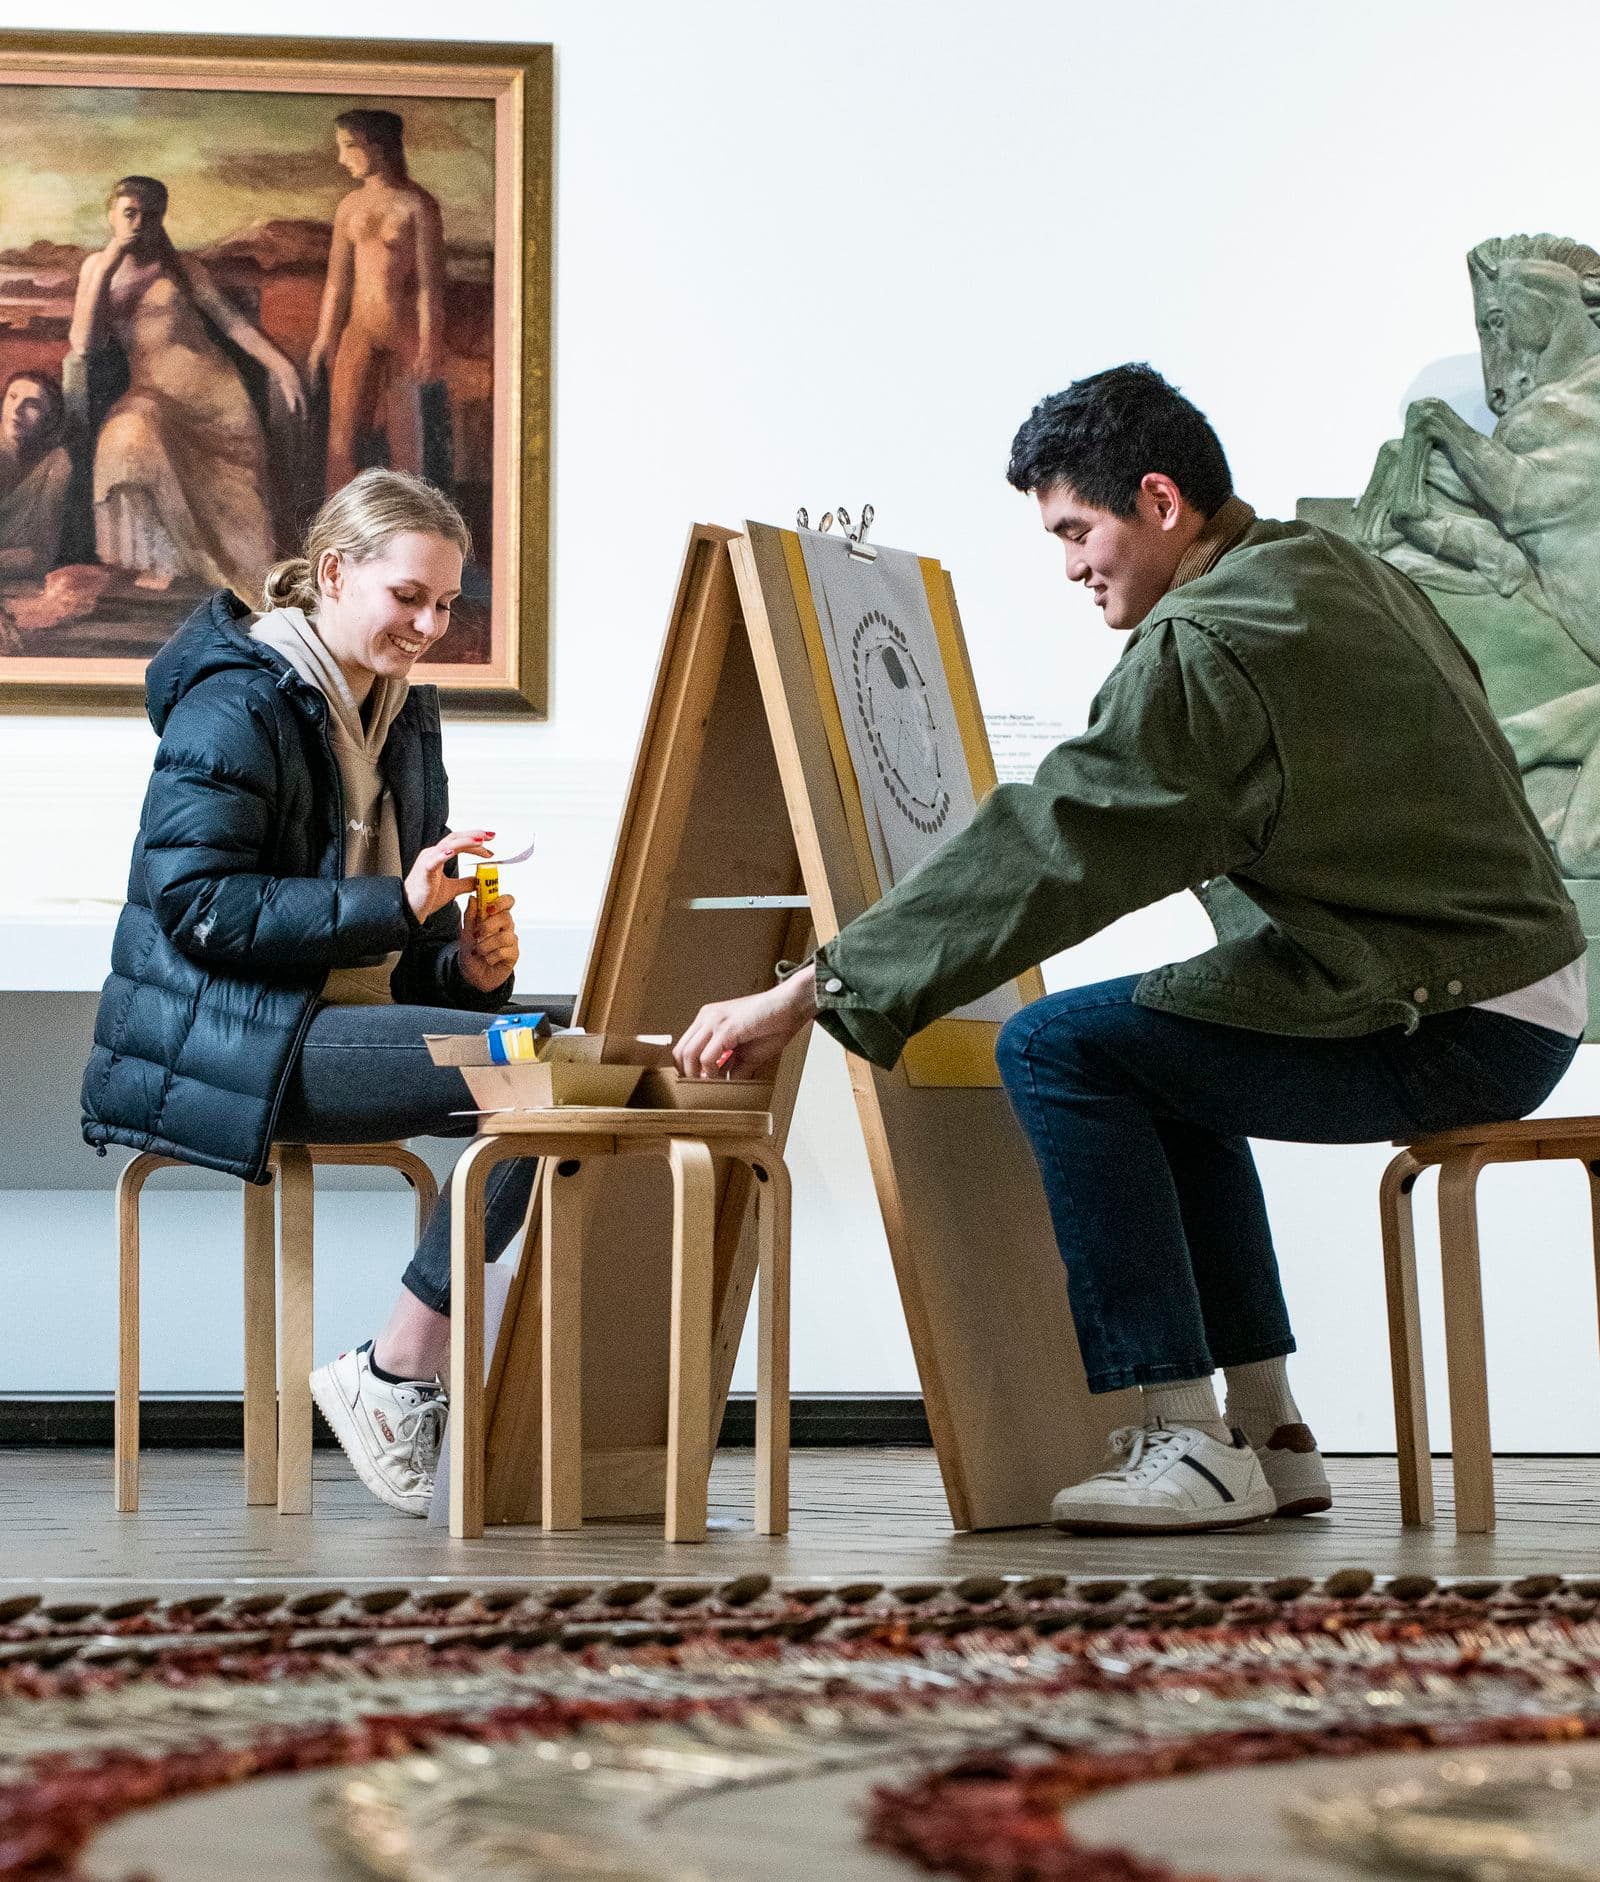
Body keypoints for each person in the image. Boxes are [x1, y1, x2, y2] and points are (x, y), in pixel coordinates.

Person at [673, 363, 1587, 1537]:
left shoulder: (1205, 645)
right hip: (1507, 995)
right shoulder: (1321, 570)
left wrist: (808, 989)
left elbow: (1055, 844)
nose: (1067, 566)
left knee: (1062, 1047)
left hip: (1450, 1020)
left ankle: (1185, 1439)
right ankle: (1269, 1432)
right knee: (1166, 1041)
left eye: (1075, 530)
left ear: (1159, 502)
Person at [81, 468, 537, 1519]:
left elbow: (386, 953)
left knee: (551, 1060)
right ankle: (393, 1373)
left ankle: (406, 1367)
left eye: (444, 605)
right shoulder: (236, 700)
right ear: (334, 572)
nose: (428, 624)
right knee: (538, 1069)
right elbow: (198, 903)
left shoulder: (397, 721)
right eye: (408, 597)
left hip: (327, 1025)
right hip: (232, 1043)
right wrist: (394, 901)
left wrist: (462, 965)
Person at [65, 174, 306, 601]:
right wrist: (109, 260)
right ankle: (156, 563)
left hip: (215, 398)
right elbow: (84, 343)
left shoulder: (183, 266)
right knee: (128, 437)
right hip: (152, 394)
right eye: (129, 213)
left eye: (150, 215)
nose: (140, 223)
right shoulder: (96, 268)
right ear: (112, 215)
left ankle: (216, 582)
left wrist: (280, 365)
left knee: (233, 511)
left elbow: (231, 323)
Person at [307, 110, 447, 493]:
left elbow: (428, 285)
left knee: (407, 452)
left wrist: (430, 340)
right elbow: (337, 280)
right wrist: (324, 336)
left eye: (350, 146)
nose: (341, 159)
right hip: (359, 332)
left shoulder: (419, 206)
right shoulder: (349, 206)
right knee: (342, 444)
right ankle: (336, 539)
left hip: (403, 336)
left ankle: (407, 539)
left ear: (380, 145)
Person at [0, 370, 72, 577]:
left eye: (32, 404)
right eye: (12, 397)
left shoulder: (56, 463)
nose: (17, 410)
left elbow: (42, 554)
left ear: (49, 419)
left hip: (24, 583)